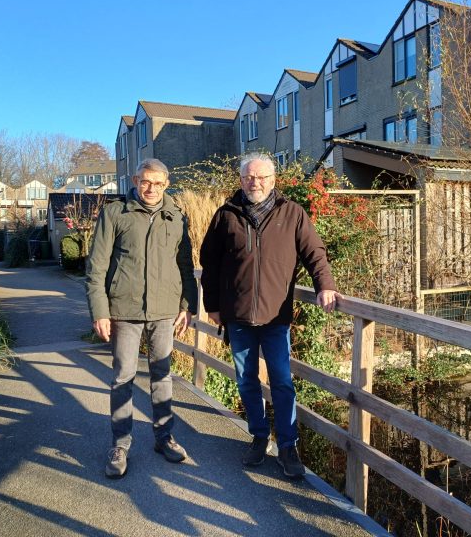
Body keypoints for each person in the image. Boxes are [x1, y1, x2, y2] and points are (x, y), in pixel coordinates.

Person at [199, 151, 341, 479]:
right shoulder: (226, 215)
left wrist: (325, 286)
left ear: (273, 180)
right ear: (241, 180)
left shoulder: (291, 213)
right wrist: (213, 306)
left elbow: (315, 253)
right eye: (249, 177)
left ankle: (288, 446)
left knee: (282, 381)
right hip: (238, 316)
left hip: (276, 316)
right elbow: (210, 263)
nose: (256, 182)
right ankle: (259, 436)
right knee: (247, 380)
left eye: (262, 177)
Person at [86, 158, 197, 479]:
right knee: (123, 377)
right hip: (125, 310)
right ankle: (120, 444)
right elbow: (96, 267)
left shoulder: (176, 216)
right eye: (146, 182)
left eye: (159, 183)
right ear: (135, 181)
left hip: (165, 310)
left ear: (167, 184)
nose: (151, 189)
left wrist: (187, 305)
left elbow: (185, 265)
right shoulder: (115, 213)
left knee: (162, 375)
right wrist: (100, 311)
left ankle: (164, 437)